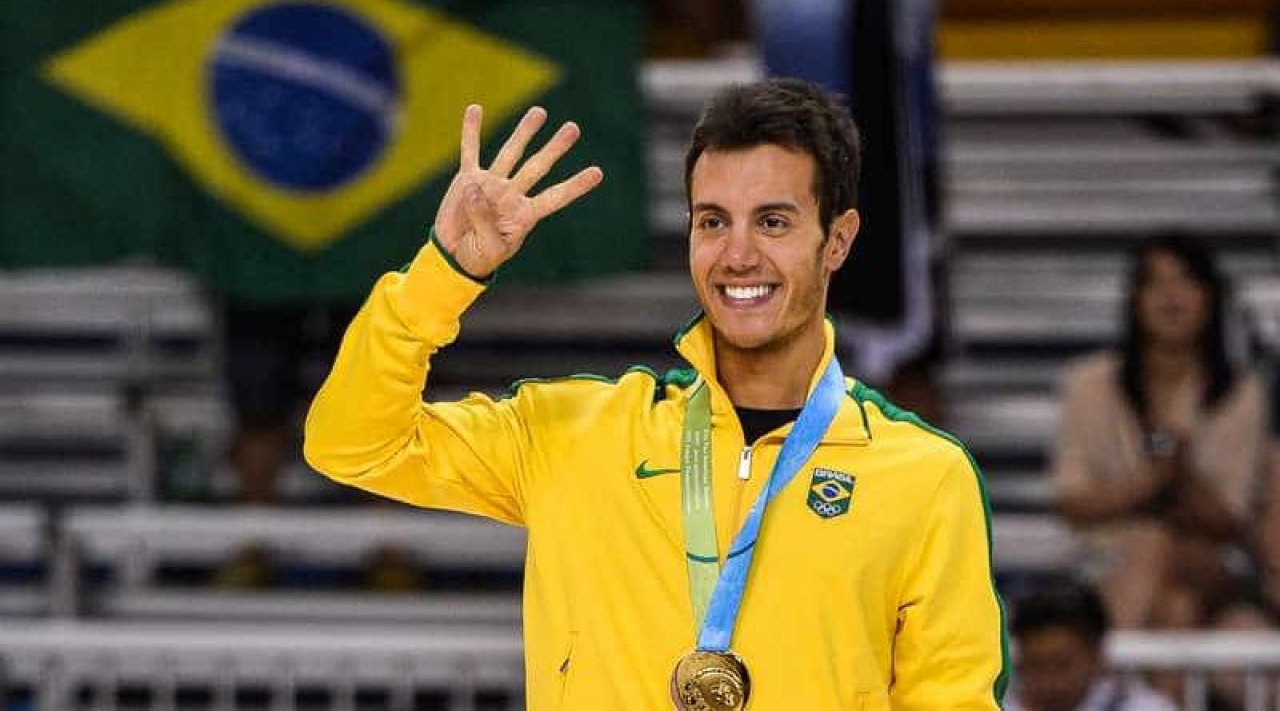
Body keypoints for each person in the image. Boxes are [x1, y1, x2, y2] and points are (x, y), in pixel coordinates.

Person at [304, 79, 1007, 709]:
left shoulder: (923, 478)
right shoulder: (573, 433)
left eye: (773, 221)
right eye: (712, 221)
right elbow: (353, 443)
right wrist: (445, 274)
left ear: (837, 240)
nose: (737, 256)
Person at [1051, 234, 1272, 632]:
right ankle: (1145, 692)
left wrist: (1181, 476)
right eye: (1155, 282)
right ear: (1134, 299)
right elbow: (1072, 503)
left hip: (1214, 563)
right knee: (1176, 608)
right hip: (1106, 562)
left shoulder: (1241, 393)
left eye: (1185, 281)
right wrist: (1149, 483)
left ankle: (1107, 683)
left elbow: (1230, 521)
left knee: (1155, 544)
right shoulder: (1088, 383)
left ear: (1210, 297)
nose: (1171, 296)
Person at [1006, 577, 1175, 711]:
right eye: (1036, 666)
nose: (1051, 682)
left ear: (1096, 655)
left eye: (1062, 665)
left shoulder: (1145, 708)